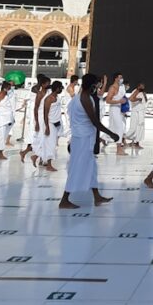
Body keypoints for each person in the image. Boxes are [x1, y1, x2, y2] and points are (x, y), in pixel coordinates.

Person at [59, 74, 118, 209]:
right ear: (91, 85)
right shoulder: (85, 98)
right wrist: (111, 134)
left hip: (83, 138)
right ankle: (64, 200)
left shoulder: (79, 97)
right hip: (82, 140)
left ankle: (97, 197)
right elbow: (94, 121)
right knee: (77, 168)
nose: (97, 87)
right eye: (96, 84)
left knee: (92, 168)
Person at [20, 76, 49, 166]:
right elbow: (36, 106)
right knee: (38, 137)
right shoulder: (37, 89)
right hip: (37, 115)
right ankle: (37, 156)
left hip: (43, 115)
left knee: (43, 138)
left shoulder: (44, 91)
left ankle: (41, 158)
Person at [41, 80, 64, 171]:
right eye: (61, 87)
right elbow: (45, 114)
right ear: (57, 88)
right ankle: (49, 165)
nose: (62, 89)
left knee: (50, 143)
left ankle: (37, 158)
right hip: (49, 124)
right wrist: (47, 127)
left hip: (56, 123)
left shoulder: (57, 97)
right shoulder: (48, 99)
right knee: (50, 144)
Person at [105, 73, 128, 156]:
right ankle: (118, 149)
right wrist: (119, 101)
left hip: (120, 109)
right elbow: (107, 100)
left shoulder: (121, 87)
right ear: (115, 78)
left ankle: (102, 138)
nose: (122, 79)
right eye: (120, 77)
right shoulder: (112, 88)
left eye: (122, 77)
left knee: (113, 127)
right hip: (114, 109)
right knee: (119, 128)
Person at [127, 82, 148, 149]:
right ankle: (123, 138)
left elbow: (145, 101)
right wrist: (138, 99)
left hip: (141, 112)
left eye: (143, 86)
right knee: (134, 128)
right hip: (136, 113)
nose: (143, 87)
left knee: (139, 128)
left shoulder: (142, 92)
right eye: (141, 86)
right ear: (138, 86)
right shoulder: (136, 91)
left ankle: (136, 143)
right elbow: (130, 99)